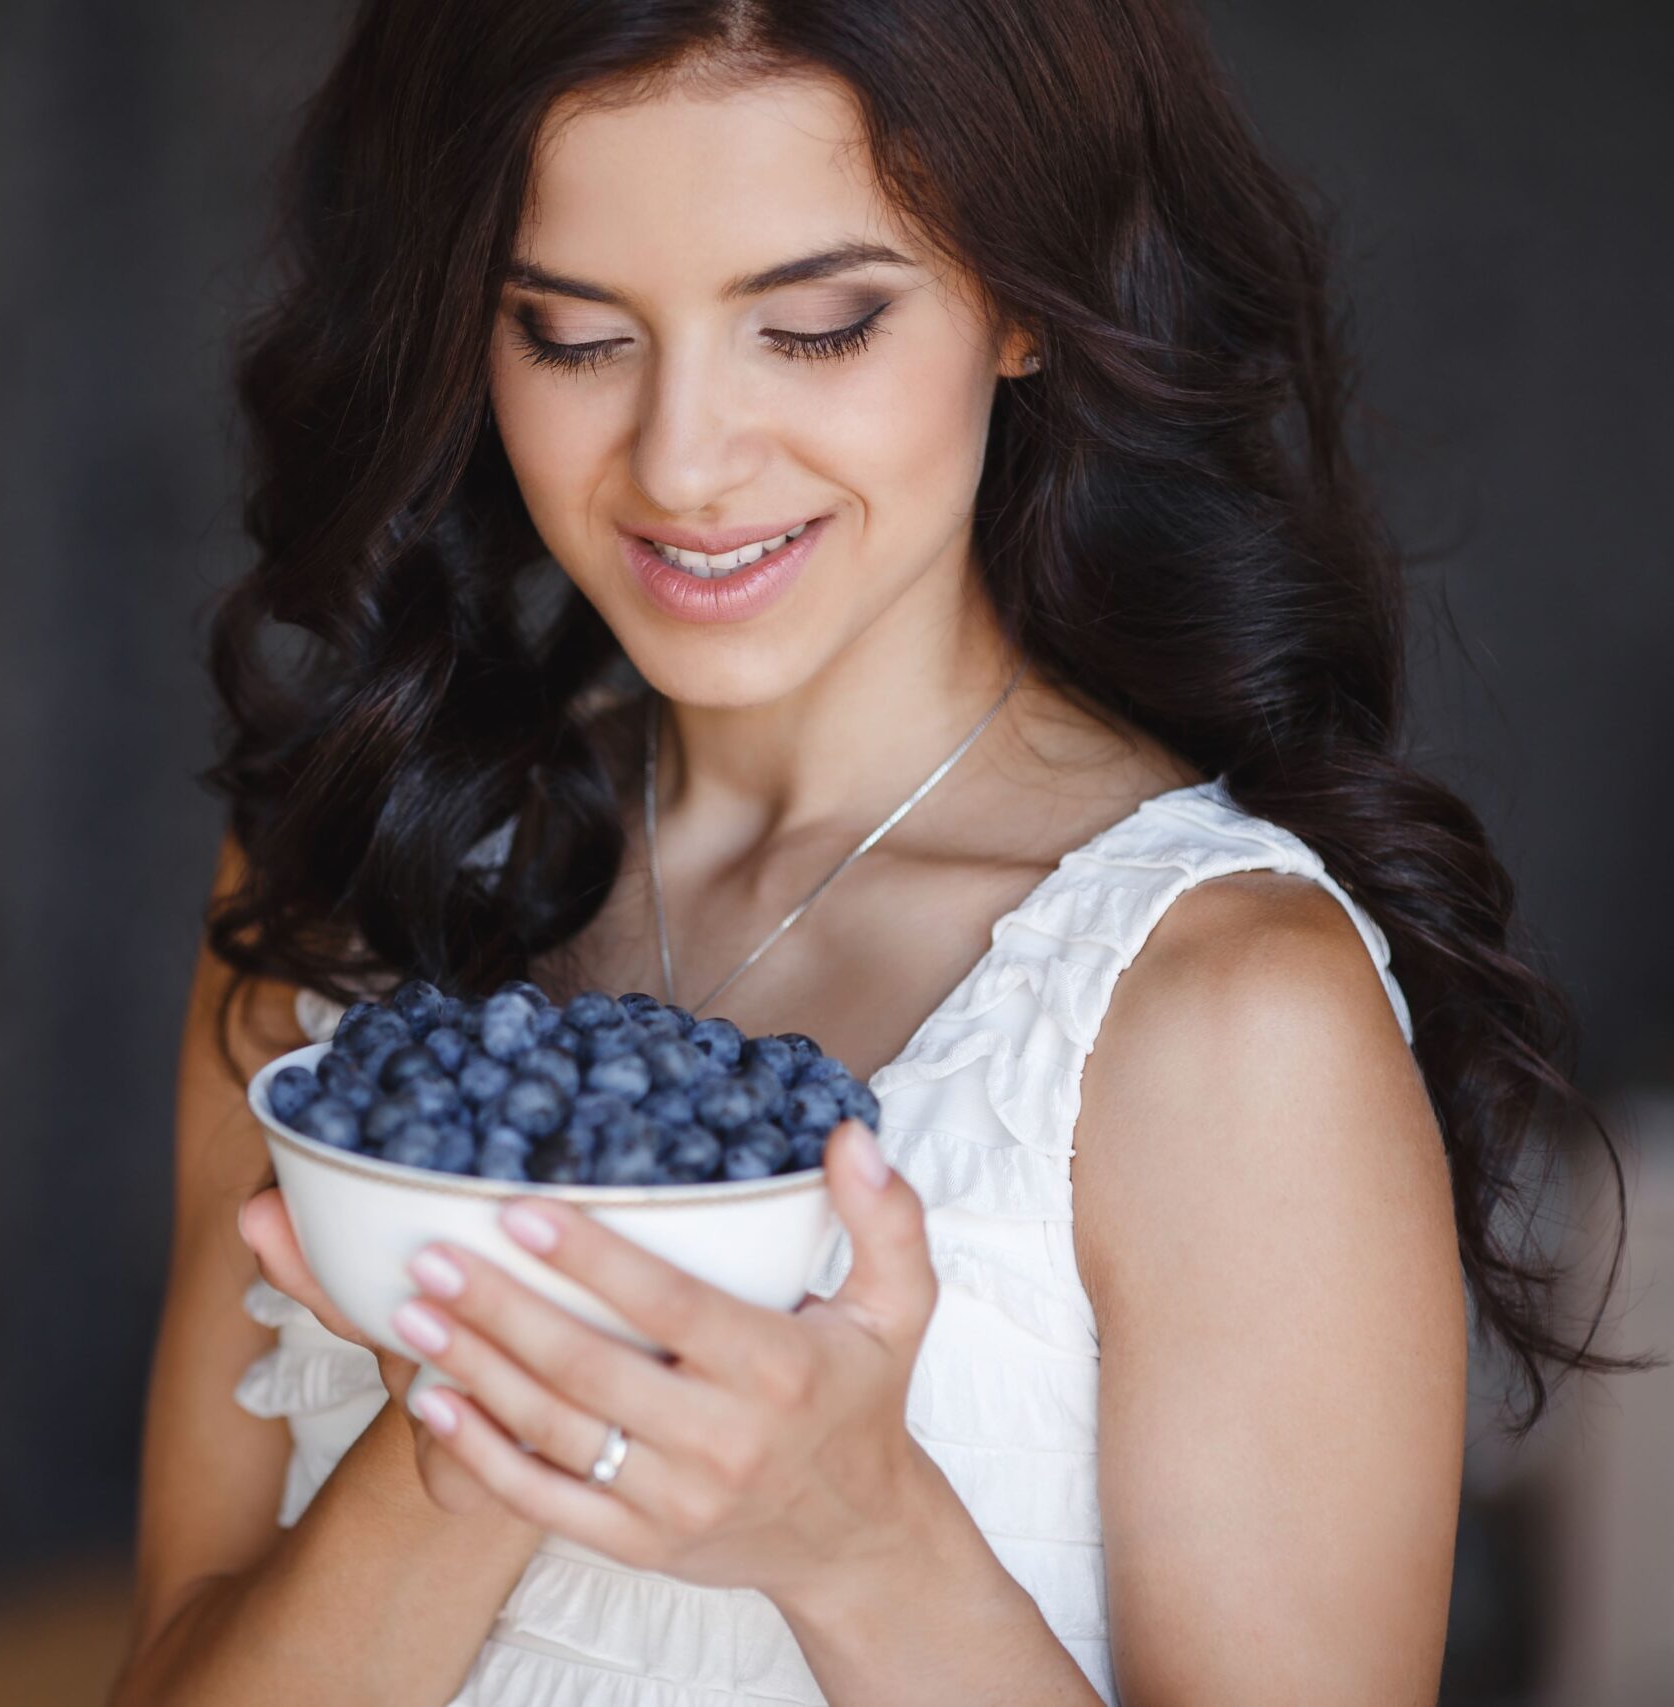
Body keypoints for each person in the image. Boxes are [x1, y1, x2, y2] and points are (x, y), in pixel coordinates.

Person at [113, 3, 1638, 1702]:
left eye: (817, 327)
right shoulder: (339, 891)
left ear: (1026, 307)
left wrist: (859, 1543)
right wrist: (465, 1443)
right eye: (569, 334)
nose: (685, 464)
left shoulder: (1221, 1020)